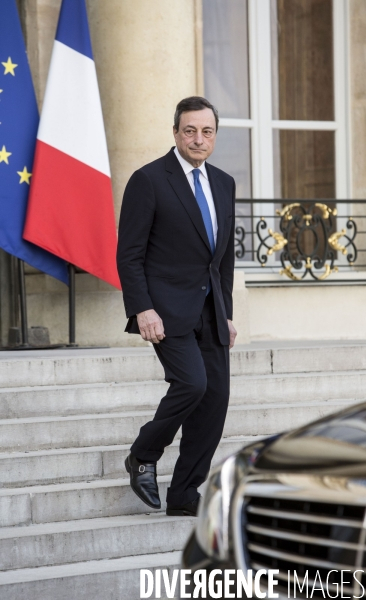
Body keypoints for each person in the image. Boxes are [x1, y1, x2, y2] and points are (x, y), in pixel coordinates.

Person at [117, 96, 237, 517]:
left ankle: (185, 493)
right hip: (165, 310)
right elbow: (128, 254)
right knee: (192, 384)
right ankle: (143, 455)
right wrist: (142, 308)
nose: (198, 139)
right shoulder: (148, 180)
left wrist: (226, 313)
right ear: (175, 133)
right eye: (190, 130)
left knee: (216, 399)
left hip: (210, 310)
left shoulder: (223, 182)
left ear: (215, 136)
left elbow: (222, 257)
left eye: (206, 131)